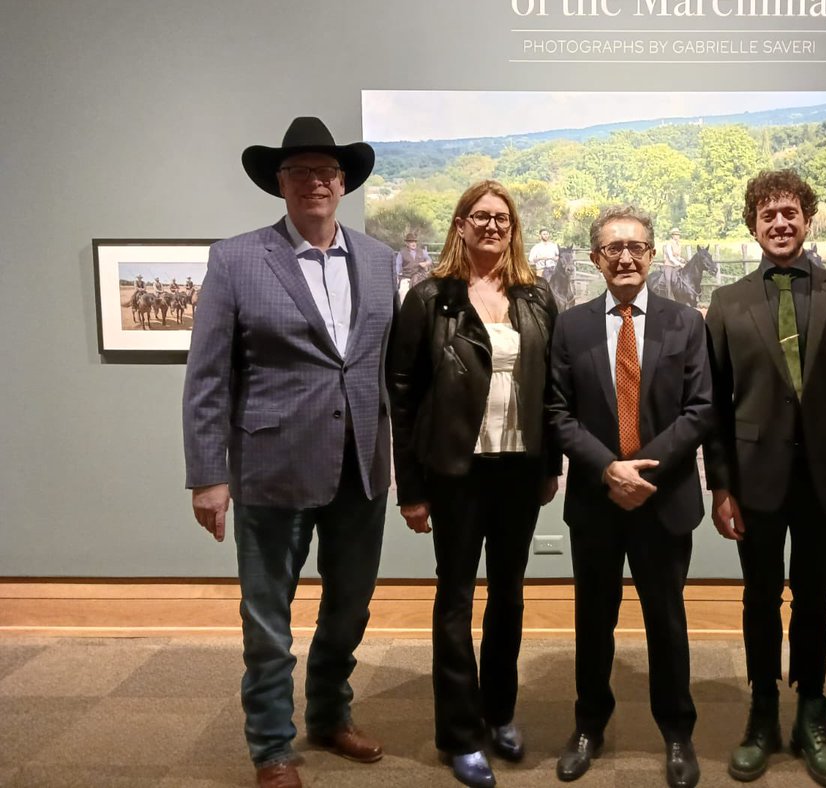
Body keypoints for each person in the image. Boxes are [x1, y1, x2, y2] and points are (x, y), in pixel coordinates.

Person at [183, 117, 395, 788]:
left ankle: (330, 713)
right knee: (269, 619)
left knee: (350, 606)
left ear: (344, 184)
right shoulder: (238, 259)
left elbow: (387, 370)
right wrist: (208, 476)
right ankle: (272, 745)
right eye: (301, 171)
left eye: (327, 172)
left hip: (361, 465)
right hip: (271, 468)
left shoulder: (380, 259)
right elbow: (208, 375)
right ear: (280, 183)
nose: (316, 182)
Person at [704, 170, 826, 786]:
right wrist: (720, 486)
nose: (778, 224)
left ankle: (813, 710)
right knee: (759, 597)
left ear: (808, 218)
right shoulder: (727, 303)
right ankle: (761, 714)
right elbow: (715, 406)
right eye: (766, 215)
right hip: (754, 480)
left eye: (788, 212)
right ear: (752, 225)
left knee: (816, 599)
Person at [387, 179, 560, 788]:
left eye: (502, 218)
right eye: (480, 216)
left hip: (518, 469)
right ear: (460, 224)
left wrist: (551, 466)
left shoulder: (536, 298)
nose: (492, 225)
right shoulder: (430, 298)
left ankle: (500, 712)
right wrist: (409, 487)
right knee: (456, 598)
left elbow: (552, 393)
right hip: (455, 472)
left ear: (512, 229)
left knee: (509, 596)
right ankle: (459, 734)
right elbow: (403, 396)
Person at [547, 205, 713, 788]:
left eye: (636, 247)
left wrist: (644, 471)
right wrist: (608, 470)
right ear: (595, 258)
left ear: (650, 255)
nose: (624, 257)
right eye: (612, 248)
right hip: (597, 500)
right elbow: (557, 413)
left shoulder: (685, 322)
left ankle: (677, 732)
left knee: (667, 621)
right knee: (594, 620)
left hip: (664, 500)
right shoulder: (570, 326)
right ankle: (589, 724)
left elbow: (701, 410)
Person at [395, 231, 432, 304]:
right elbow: (397, 266)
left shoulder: (422, 251)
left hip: (420, 277)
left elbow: (429, 260)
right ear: (407, 243)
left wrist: (426, 263)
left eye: (414, 241)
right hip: (407, 277)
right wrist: (397, 277)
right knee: (403, 293)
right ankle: (403, 311)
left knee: (429, 293)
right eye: (411, 242)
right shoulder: (402, 253)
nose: (413, 243)